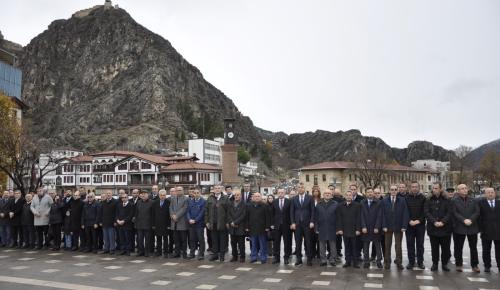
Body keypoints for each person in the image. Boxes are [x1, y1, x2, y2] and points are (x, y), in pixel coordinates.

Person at [452, 184, 480, 273]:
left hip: (472, 226)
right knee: (458, 247)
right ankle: (459, 264)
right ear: (458, 191)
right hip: (459, 227)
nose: (464, 190)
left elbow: (477, 211)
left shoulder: (473, 200)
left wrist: (471, 219)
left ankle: (475, 265)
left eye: (465, 188)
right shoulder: (454, 201)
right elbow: (454, 212)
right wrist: (463, 220)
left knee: (473, 247)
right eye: (462, 189)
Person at [424, 182, 452, 272]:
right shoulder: (428, 199)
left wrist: (443, 222)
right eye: (433, 188)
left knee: (445, 248)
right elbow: (426, 212)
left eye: (436, 188)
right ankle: (435, 263)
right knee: (434, 248)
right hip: (433, 228)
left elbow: (449, 212)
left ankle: (444, 264)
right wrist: (434, 222)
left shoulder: (447, 199)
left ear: (440, 189)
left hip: (445, 228)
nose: (434, 190)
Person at [382, 185, 409, 270]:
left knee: (398, 245)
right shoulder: (384, 200)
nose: (393, 191)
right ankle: (387, 262)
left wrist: (404, 226)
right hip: (388, 227)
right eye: (392, 189)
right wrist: (384, 225)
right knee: (387, 245)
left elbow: (405, 213)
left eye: (395, 190)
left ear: (397, 191)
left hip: (398, 227)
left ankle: (399, 261)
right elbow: (382, 214)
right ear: (389, 191)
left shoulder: (402, 200)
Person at [290, 183, 315, 266]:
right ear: (297, 189)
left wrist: (312, 221)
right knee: (298, 242)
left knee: (308, 242)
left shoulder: (310, 198)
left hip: (307, 224)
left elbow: (313, 211)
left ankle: (309, 259)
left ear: (304, 189)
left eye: (302, 187)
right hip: (297, 224)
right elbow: (292, 212)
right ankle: (299, 259)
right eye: (299, 187)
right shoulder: (294, 199)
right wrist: (293, 222)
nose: (300, 189)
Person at [336, 190, 362, 268]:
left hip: (354, 230)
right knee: (347, 247)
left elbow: (359, 218)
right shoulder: (340, 206)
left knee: (355, 247)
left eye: (350, 195)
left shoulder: (357, 205)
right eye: (347, 195)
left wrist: (358, 229)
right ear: (345, 196)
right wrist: (339, 229)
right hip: (345, 230)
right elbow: (339, 218)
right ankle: (347, 261)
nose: (348, 196)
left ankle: (355, 262)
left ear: (352, 196)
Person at [405, 181, 426, 270]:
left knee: (420, 245)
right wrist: (409, 220)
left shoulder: (423, 198)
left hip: (420, 225)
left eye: (416, 187)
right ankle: (411, 262)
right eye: (412, 187)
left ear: (419, 188)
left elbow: (425, 211)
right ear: (410, 188)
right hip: (409, 226)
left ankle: (420, 262)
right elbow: (405, 211)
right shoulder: (406, 198)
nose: (414, 188)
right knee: (410, 244)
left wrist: (418, 220)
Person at [205, 185, 230, 262]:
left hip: (222, 223)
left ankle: (222, 255)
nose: (217, 189)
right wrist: (207, 222)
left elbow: (228, 211)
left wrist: (227, 222)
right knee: (214, 240)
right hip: (213, 223)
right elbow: (206, 211)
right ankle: (215, 254)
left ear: (221, 189)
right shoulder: (210, 198)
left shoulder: (225, 198)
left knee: (222, 240)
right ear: (213, 190)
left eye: (219, 188)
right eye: (216, 188)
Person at [314, 188, 338, 266]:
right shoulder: (319, 204)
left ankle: (332, 260)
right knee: (322, 245)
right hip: (321, 227)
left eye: (329, 193)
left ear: (331, 195)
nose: (327, 194)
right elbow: (316, 217)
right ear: (323, 195)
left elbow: (338, 217)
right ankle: (323, 260)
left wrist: (338, 228)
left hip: (332, 227)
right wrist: (316, 228)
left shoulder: (335, 204)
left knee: (333, 245)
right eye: (326, 193)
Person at [360, 187, 383, 269]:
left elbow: (379, 216)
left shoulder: (378, 202)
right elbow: (361, 216)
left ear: (373, 193)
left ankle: (379, 261)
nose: (370, 193)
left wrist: (377, 227)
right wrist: (363, 226)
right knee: (365, 246)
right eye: (368, 192)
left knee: (377, 245)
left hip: (375, 228)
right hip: (366, 228)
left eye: (371, 192)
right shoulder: (362, 202)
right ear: (366, 193)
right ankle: (366, 262)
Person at [478, 188, 500, 273]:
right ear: (485, 194)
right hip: (486, 231)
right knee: (486, 250)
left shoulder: (499, 203)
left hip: (498, 231)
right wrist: (481, 229)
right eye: (488, 193)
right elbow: (479, 217)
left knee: (498, 250)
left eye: (492, 192)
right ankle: (487, 265)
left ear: (495, 193)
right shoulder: (481, 204)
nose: (490, 194)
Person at [246, 192, 271, 264]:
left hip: (262, 228)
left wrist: (267, 227)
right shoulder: (250, 206)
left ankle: (263, 258)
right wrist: (247, 227)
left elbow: (268, 217)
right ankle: (254, 257)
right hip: (252, 228)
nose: (257, 197)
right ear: (253, 197)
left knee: (262, 244)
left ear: (260, 197)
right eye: (255, 196)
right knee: (253, 244)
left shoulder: (265, 206)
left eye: (258, 196)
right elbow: (247, 217)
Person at [271, 188, 292, 265]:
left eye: (282, 192)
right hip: (277, 226)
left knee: (287, 242)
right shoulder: (274, 202)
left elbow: (291, 213)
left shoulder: (289, 202)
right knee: (276, 242)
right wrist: (272, 224)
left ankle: (286, 257)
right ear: (277, 193)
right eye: (279, 192)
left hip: (286, 225)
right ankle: (276, 258)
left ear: (284, 193)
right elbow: (272, 214)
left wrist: (291, 223)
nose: (280, 194)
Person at [187, 188, 206, 260]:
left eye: (198, 193)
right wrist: (189, 219)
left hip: (199, 224)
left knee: (200, 239)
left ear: (200, 193)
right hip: (191, 224)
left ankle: (201, 254)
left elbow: (202, 213)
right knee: (192, 239)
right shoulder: (190, 201)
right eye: (195, 193)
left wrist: (195, 220)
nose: (196, 194)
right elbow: (187, 211)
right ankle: (192, 253)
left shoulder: (203, 201)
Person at [170, 186, 189, 259]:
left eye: (180, 190)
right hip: (174, 222)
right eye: (177, 190)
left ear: (183, 191)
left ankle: (184, 253)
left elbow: (184, 209)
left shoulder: (186, 199)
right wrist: (172, 215)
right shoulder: (173, 198)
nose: (178, 191)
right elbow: (170, 208)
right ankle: (177, 253)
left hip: (182, 222)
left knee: (183, 239)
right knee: (176, 239)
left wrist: (176, 216)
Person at [228, 190, 247, 263]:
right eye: (235, 195)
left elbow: (243, 215)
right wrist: (231, 222)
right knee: (233, 243)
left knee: (241, 243)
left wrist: (235, 222)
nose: (236, 196)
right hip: (232, 227)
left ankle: (242, 257)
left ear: (241, 196)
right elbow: (228, 214)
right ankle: (234, 256)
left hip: (240, 226)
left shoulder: (244, 204)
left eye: (238, 195)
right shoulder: (231, 203)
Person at [151, 189, 171, 258]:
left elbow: (169, 215)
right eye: (161, 195)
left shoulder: (168, 202)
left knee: (165, 239)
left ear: (166, 195)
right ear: (159, 195)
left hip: (165, 224)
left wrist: (169, 225)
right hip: (157, 224)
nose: (162, 196)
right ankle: (158, 252)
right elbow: (153, 214)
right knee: (158, 238)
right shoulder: (155, 203)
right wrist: (153, 224)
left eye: (164, 195)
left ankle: (165, 252)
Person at [135, 190, 154, 257]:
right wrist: (136, 223)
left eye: (145, 194)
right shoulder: (138, 202)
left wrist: (152, 224)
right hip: (139, 225)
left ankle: (147, 252)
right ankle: (141, 251)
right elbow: (136, 214)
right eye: (142, 194)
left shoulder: (152, 202)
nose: (143, 195)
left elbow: (153, 215)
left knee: (147, 240)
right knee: (140, 239)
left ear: (148, 195)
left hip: (148, 224)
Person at [99, 190, 117, 255]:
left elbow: (116, 212)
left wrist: (115, 221)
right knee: (105, 237)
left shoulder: (115, 202)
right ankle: (106, 248)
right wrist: (100, 221)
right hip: (104, 222)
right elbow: (101, 213)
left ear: (112, 194)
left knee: (111, 237)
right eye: (107, 193)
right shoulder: (103, 202)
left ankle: (112, 249)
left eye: (109, 193)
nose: (108, 194)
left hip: (112, 223)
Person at [332, 187, 345, 259]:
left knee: (339, 238)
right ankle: (332, 252)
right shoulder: (331, 199)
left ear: (340, 193)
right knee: (333, 238)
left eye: (338, 193)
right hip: (333, 221)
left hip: (341, 221)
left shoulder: (343, 200)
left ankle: (339, 251)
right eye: (335, 193)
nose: (336, 194)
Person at [310, 188, 321, 260]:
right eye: (314, 191)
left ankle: (319, 253)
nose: (315, 192)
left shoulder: (321, 200)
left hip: (319, 221)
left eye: (317, 191)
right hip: (311, 221)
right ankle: (313, 252)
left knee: (319, 239)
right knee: (312, 238)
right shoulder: (310, 200)